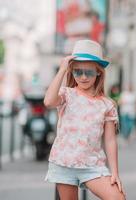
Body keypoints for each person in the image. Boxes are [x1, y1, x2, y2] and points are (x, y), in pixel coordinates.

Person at [44, 40, 125, 200]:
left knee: (117, 197)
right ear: (71, 71)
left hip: (92, 165)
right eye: (77, 72)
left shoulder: (107, 104)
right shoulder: (67, 94)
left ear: (98, 72)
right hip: (64, 162)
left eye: (88, 72)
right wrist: (62, 70)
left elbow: (110, 140)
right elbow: (48, 102)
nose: (82, 77)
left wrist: (115, 173)